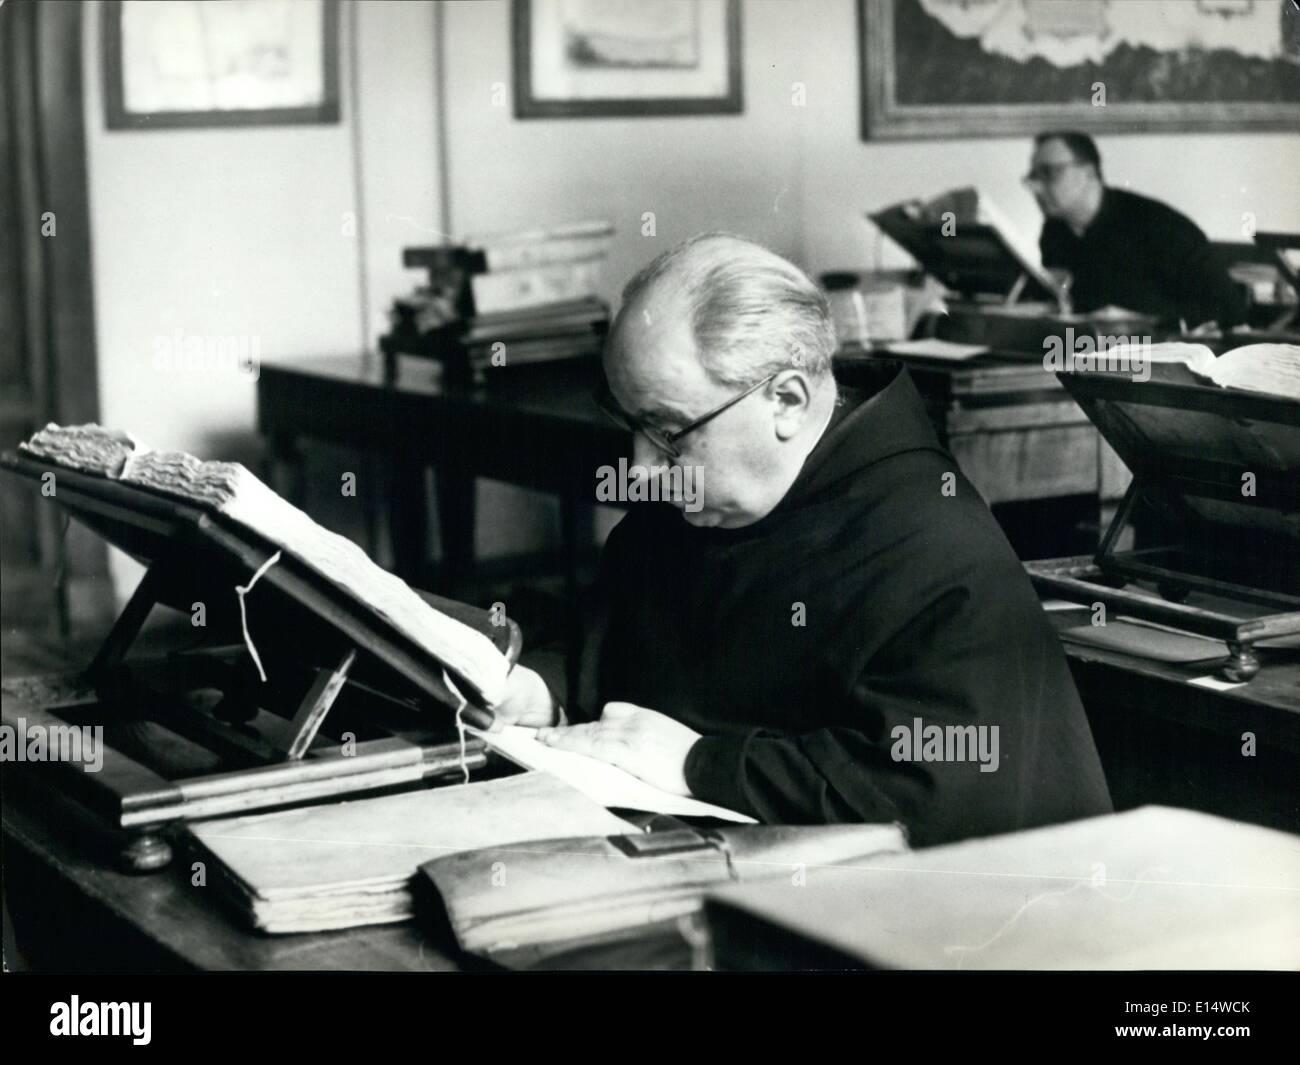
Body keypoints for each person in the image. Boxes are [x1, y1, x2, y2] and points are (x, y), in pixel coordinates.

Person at [494, 233, 1111, 846]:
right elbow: (615, 644)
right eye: (631, 424)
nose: (641, 471)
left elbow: (931, 790)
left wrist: (698, 764)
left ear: (787, 399)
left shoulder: (935, 547)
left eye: (668, 433)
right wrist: (542, 689)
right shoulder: (700, 496)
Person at [1027, 130, 1244, 329]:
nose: (1036, 187)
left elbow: (1228, 309)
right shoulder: (1056, 229)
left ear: (1089, 172)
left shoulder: (1160, 227)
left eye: (1049, 173)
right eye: (1034, 177)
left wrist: (1145, 320)